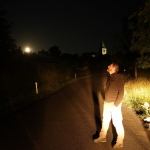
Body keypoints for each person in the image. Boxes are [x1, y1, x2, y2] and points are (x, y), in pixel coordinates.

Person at [94, 62, 125, 149]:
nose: (108, 66)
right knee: (105, 120)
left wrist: (116, 105)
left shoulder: (118, 77)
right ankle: (102, 137)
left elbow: (121, 93)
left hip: (114, 104)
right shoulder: (110, 77)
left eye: (110, 66)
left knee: (117, 122)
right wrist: (105, 100)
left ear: (114, 68)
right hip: (107, 103)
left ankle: (120, 142)